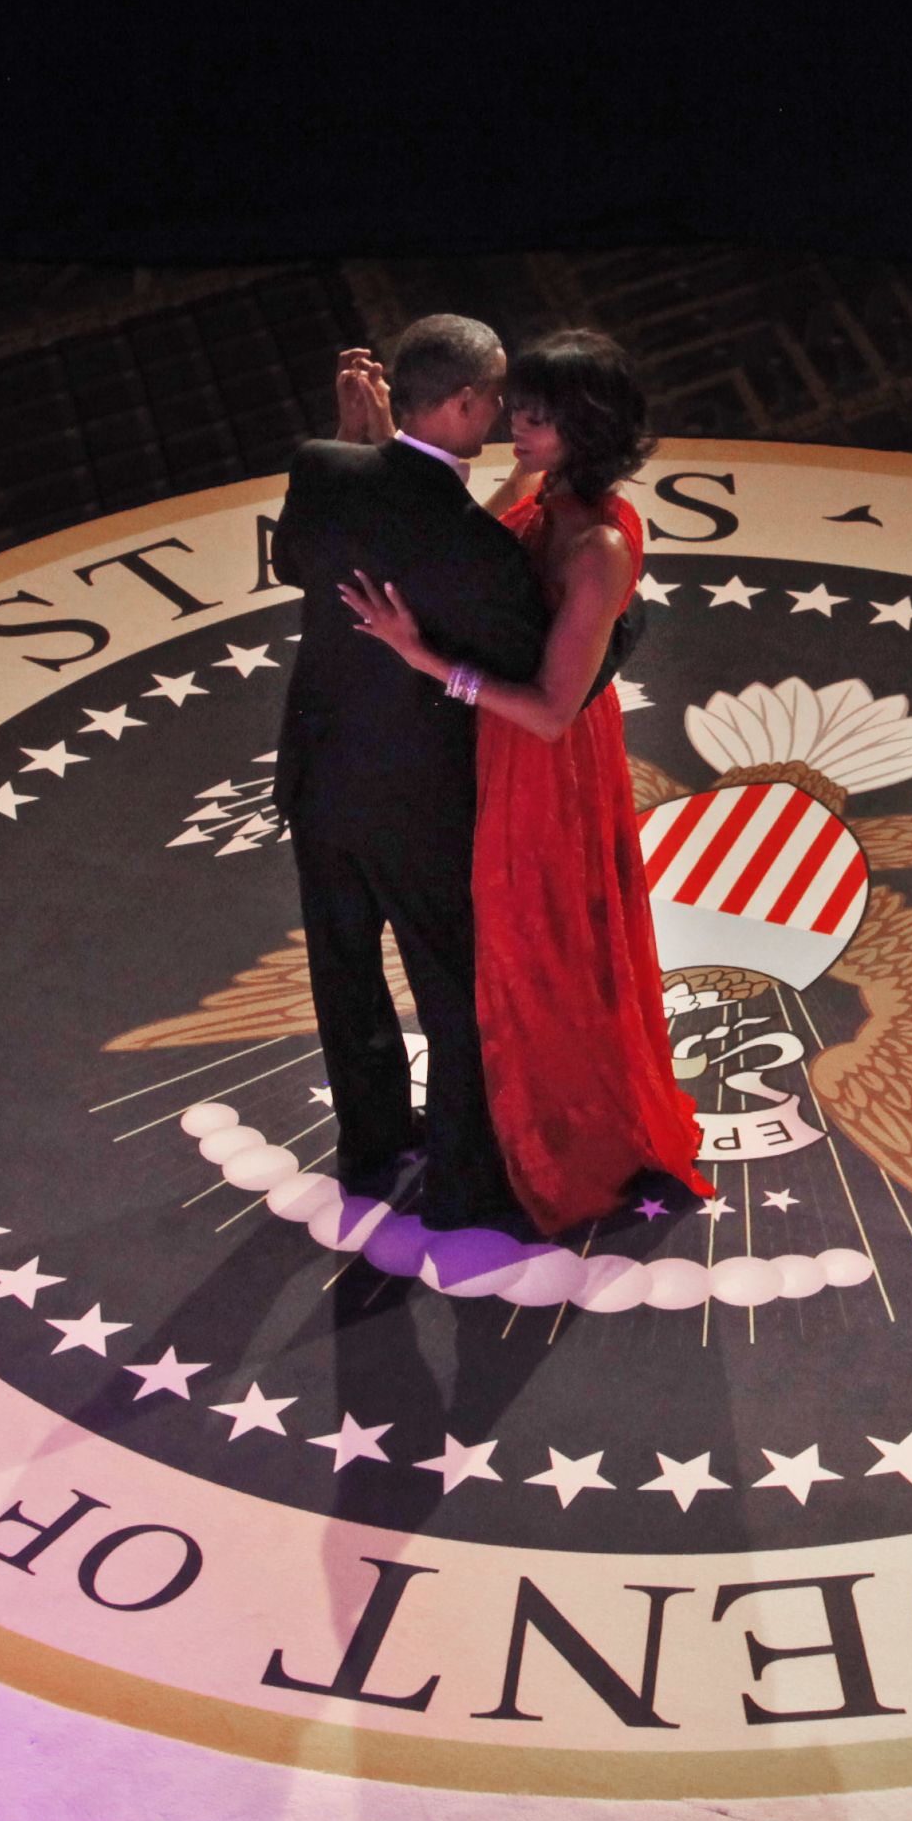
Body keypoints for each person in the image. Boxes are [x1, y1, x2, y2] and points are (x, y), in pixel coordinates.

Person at [339, 329, 710, 1238]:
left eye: (536, 416)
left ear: (581, 429)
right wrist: (384, 449)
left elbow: (550, 710)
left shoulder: (600, 551)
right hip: (496, 745)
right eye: (516, 406)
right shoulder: (543, 490)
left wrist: (421, 655)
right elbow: (455, 522)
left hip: (545, 764)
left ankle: (554, 1141)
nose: (515, 425)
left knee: (533, 949)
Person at [272, 317, 550, 1231]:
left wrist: (361, 449)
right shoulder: (475, 546)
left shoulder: (322, 468)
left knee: (342, 964)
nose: (502, 411)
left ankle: (372, 1140)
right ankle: (466, 1180)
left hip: (320, 779)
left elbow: (297, 560)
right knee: (449, 980)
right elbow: (527, 660)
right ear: (468, 403)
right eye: (497, 396)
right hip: (421, 800)